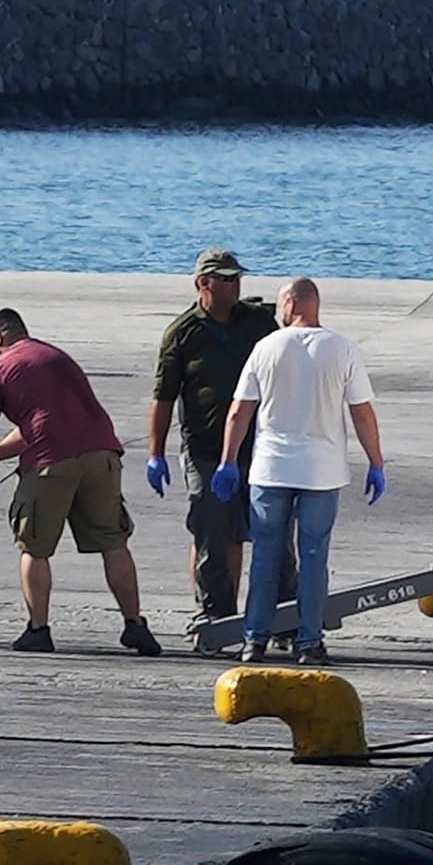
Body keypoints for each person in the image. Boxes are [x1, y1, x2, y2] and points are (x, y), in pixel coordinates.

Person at [0, 308, 162, 657]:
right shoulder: (56, 357)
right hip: (102, 455)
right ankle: (135, 625)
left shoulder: (0, 368)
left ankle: (38, 629)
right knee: (113, 543)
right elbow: (41, 421)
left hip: (50, 465)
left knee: (34, 548)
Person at [211, 279, 385, 667]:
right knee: (313, 557)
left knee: (266, 557)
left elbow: (240, 411)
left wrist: (227, 460)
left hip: (271, 468)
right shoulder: (342, 349)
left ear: (291, 303)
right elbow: (362, 411)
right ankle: (309, 641)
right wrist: (376, 461)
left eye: (280, 304)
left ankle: (254, 640)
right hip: (322, 471)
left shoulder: (266, 348)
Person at [147, 249, 296, 635]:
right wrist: (155, 453)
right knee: (212, 531)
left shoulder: (259, 323)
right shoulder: (183, 333)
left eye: (237, 278)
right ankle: (216, 615)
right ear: (203, 284)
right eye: (226, 279)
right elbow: (164, 397)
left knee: (274, 535)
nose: (235, 285)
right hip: (206, 451)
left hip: (261, 449)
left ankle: (285, 619)